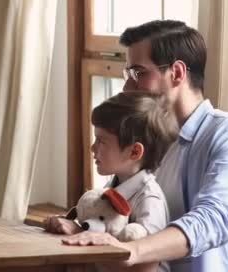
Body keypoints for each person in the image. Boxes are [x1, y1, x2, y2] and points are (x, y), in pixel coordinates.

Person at [62, 20, 228, 272]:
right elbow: (111, 212)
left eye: (138, 73)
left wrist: (132, 250)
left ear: (177, 73)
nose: (127, 87)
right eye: (127, 74)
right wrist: (78, 227)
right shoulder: (149, 142)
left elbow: (212, 220)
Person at [45, 91, 178, 272]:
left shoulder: (149, 199)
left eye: (101, 141)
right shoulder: (112, 185)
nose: (93, 148)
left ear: (134, 152)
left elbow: (146, 266)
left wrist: (80, 235)